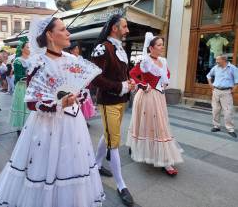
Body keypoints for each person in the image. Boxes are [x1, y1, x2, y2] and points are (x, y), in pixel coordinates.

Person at [0, 16, 104, 207]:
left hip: (73, 123)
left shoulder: (72, 59)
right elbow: (31, 102)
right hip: (48, 125)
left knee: (72, 162)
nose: (68, 33)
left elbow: (82, 88)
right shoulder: (39, 63)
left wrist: (78, 96)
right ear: (50, 35)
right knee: (47, 166)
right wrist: (59, 103)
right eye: (62, 29)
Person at [91, 14, 135, 206]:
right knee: (114, 142)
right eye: (124, 27)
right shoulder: (102, 48)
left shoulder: (119, 48)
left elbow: (122, 74)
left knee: (109, 134)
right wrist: (120, 87)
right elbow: (95, 79)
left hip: (120, 100)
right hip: (108, 100)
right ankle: (121, 184)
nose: (127, 30)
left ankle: (96, 164)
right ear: (114, 28)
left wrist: (129, 83)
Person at [127, 32, 184, 176]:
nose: (162, 47)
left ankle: (161, 157)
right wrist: (142, 84)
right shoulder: (145, 61)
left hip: (159, 96)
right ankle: (163, 160)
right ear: (151, 48)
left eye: (162, 45)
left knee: (159, 124)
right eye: (159, 45)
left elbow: (167, 74)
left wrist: (164, 83)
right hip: (147, 96)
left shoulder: (163, 61)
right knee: (150, 124)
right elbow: (132, 74)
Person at [207, 55, 238, 138]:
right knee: (215, 110)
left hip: (226, 92)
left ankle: (230, 129)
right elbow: (208, 75)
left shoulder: (233, 68)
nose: (216, 61)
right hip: (216, 91)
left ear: (224, 60)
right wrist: (210, 84)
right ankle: (216, 126)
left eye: (218, 60)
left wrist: (233, 90)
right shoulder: (215, 68)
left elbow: (236, 81)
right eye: (216, 60)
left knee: (228, 111)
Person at [68, 41, 96, 127]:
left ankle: (84, 120)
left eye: (77, 48)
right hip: (73, 85)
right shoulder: (68, 59)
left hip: (83, 84)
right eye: (75, 49)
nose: (77, 50)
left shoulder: (81, 59)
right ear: (71, 51)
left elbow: (86, 70)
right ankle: (75, 121)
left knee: (84, 103)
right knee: (76, 103)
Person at [9, 37, 30, 136]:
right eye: (27, 47)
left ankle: (30, 126)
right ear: (22, 49)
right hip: (22, 87)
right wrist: (30, 75)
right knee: (22, 106)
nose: (29, 48)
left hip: (31, 87)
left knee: (30, 107)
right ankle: (20, 128)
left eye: (30, 47)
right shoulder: (18, 60)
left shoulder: (33, 59)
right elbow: (18, 76)